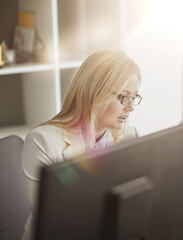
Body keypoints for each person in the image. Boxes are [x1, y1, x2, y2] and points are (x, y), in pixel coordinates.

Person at [21, 50, 142, 240]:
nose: (131, 107)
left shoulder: (129, 136)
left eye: (134, 97)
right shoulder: (43, 142)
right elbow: (55, 223)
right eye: (124, 97)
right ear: (96, 93)